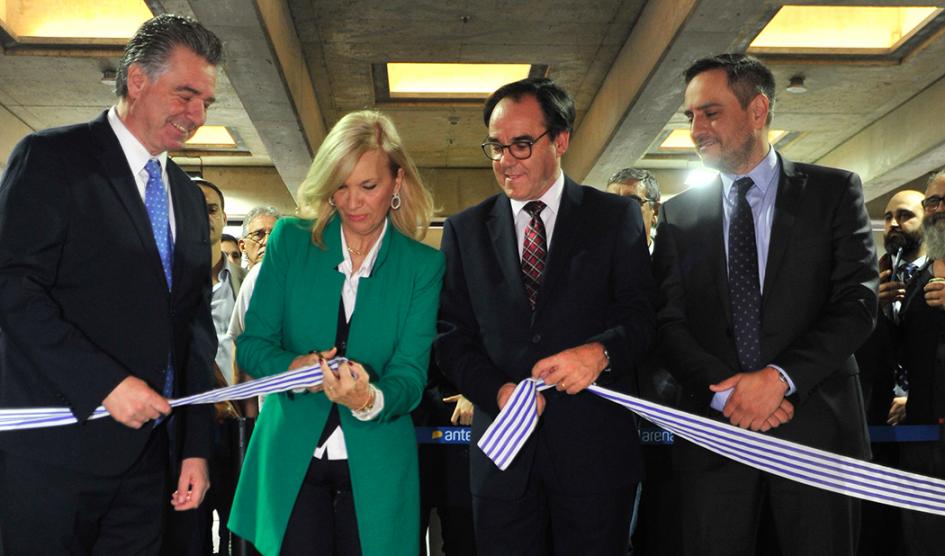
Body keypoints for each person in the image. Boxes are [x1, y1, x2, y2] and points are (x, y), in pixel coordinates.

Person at [0, 14, 220, 555]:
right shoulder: (53, 159)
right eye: (186, 95)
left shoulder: (189, 199)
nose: (196, 116)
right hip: (52, 456)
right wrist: (105, 384)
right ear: (138, 80)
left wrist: (195, 447)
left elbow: (192, 327)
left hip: (151, 463)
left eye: (205, 103)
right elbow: (14, 289)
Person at [652, 53, 877, 556]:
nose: (696, 128)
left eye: (710, 112)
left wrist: (777, 380)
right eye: (690, 116)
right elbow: (668, 323)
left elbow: (857, 303)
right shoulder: (678, 216)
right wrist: (728, 396)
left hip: (817, 435)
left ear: (758, 111)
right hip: (716, 439)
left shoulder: (834, 192)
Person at [436, 77, 656, 555]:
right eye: (495, 147)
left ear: (560, 140)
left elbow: (642, 318)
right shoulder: (464, 230)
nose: (504, 160)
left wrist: (599, 354)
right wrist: (498, 390)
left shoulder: (614, 218)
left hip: (595, 456)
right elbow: (450, 337)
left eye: (520, 144)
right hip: (503, 460)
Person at [227, 110, 444, 556]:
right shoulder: (290, 240)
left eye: (368, 186)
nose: (352, 202)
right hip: (290, 463)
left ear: (397, 182)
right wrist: (292, 367)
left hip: (378, 465)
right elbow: (250, 346)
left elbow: (409, 375)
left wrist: (368, 399)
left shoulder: (422, 266)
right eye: (340, 186)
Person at [896, 171, 945, 555]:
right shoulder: (919, 276)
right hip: (921, 435)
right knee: (921, 540)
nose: (938, 210)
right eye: (932, 202)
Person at [606, 167, 661, 253]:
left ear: (655, 210)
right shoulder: (589, 262)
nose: (618, 212)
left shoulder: (674, 262)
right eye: (611, 203)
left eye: (631, 203)